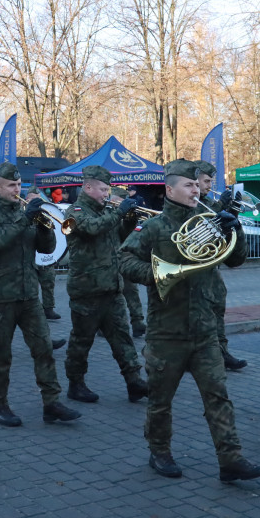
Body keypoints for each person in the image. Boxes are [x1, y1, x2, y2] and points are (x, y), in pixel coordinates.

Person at [119, 159, 260, 484]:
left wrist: (235, 228)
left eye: (197, 185)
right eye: (188, 185)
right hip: (166, 332)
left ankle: (231, 459)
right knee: (160, 401)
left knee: (218, 396)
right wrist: (158, 275)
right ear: (169, 189)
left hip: (205, 330)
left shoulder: (209, 219)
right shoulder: (154, 227)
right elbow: (125, 260)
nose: (195, 190)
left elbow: (237, 259)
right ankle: (159, 452)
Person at [0, 162, 81, 427]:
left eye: (18, 184)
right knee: (1, 355)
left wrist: (44, 226)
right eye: (11, 185)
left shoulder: (27, 212)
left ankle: (51, 403)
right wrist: (25, 220)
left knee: (44, 349)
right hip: (1, 296)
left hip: (28, 295)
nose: (16, 189)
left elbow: (47, 248)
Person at [62, 166, 149, 403]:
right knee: (82, 340)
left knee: (122, 337)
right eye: (102, 189)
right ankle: (75, 384)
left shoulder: (105, 212)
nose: (106, 194)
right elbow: (90, 229)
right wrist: (119, 213)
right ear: (87, 187)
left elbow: (119, 236)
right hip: (86, 290)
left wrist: (129, 220)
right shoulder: (73, 212)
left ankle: (134, 381)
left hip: (111, 287)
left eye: (107, 190)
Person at [196, 161, 248, 372]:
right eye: (206, 181)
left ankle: (222, 352)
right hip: (193, 273)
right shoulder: (190, 205)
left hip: (211, 272)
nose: (210, 185)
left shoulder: (207, 201)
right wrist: (221, 208)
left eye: (210, 181)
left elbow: (221, 236)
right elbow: (203, 231)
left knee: (217, 312)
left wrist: (231, 213)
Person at [26, 187, 61, 320]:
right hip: (30, 256)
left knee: (48, 281)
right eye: (35, 200)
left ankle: (49, 308)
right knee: (31, 285)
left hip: (44, 255)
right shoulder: (21, 213)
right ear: (28, 199)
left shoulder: (43, 212)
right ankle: (31, 311)